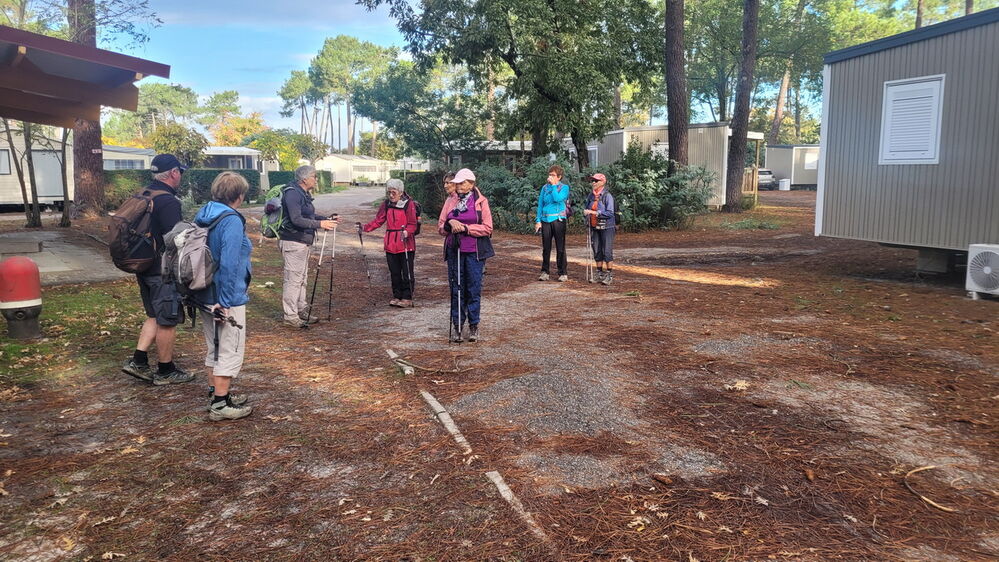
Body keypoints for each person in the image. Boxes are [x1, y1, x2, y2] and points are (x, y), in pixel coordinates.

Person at [121, 154, 195, 386]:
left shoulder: (143, 194)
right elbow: (175, 240)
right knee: (167, 320)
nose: (180, 176)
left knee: (154, 314)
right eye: (180, 172)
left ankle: (138, 360)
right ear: (173, 173)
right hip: (161, 270)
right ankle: (166, 370)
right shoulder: (168, 201)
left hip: (142, 265)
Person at [191, 172, 253, 421]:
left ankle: (216, 393)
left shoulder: (205, 212)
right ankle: (220, 404)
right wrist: (225, 302)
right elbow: (229, 263)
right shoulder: (231, 221)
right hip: (225, 295)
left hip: (203, 289)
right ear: (239, 196)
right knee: (229, 348)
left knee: (214, 346)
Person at [278, 165, 338, 328]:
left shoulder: (302, 193)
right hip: (293, 241)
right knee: (293, 279)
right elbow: (296, 219)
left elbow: (308, 216)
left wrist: (326, 218)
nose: (316, 179)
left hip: (302, 241)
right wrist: (320, 224)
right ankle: (290, 315)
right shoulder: (292, 194)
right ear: (304, 179)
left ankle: (301, 309)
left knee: (302, 278)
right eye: (314, 176)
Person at [438, 168, 494, 343]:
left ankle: (474, 326)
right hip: (454, 250)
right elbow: (440, 227)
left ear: (471, 183)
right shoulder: (450, 200)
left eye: (462, 183)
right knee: (456, 288)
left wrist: (466, 228)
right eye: (457, 183)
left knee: (473, 289)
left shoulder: (481, 202)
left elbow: (488, 228)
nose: (459, 186)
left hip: (475, 252)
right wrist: (450, 222)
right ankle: (457, 326)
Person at [360, 178, 418, 308]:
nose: (391, 195)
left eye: (393, 192)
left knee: (407, 271)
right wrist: (364, 228)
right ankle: (397, 295)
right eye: (389, 192)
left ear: (401, 192)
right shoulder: (386, 204)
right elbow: (378, 221)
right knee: (394, 271)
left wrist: (407, 232)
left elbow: (413, 224)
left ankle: (407, 297)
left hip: (405, 243)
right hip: (391, 242)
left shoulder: (409, 204)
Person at [534, 165, 570, 282]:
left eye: (553, 175)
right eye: (549, 174)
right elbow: (540, 204)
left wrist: (554, 185)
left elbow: (557, 199)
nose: (550, 177)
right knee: (546, 247)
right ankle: (545, 272)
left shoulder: (564, 188)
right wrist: (538, 220)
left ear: (559, 177)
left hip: (558, 220)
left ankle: (562, 272)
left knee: (560, 247)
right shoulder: (544, 188)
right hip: (545, 220)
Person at [583, 173, 616, 285]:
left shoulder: (607, 196)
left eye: (596, 181)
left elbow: (610, 213)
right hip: (594, 226)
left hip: (607, 226)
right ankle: (599, 273)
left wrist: (595, 212)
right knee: (597, 250)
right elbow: (587, 208)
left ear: (602, 182)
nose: (593, 183)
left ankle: (609, 275)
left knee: (607, 250)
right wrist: (586, 214)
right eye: (592, 180)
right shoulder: (591, 196)